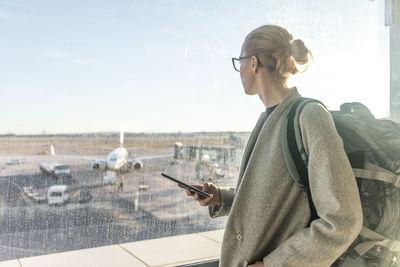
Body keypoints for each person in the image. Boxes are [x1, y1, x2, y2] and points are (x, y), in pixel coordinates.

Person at [178, 25, 363, 267]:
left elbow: (342, 220)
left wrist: (273, 265)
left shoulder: (310, 117)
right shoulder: (266, 120)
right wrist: (221, 198)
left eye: (239, 61)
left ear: (253, 63)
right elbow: (273, 196)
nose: (239, 69)